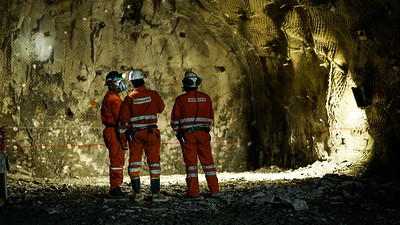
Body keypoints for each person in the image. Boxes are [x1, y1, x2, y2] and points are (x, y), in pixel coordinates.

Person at [117, 69, 168, 202]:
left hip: (135, 135)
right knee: (154, 163)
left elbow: (123, 121)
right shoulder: (153, 94)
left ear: (132, 83)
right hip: (152, 134)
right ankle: (156, 195)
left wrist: (123, 140)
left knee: (134, 163)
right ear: (143, 80)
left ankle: (137, 195)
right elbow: (160, 109)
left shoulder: (129, 98)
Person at [170, 71, 220, 200]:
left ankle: (193, 193)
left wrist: (178, 131)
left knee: (191, 165)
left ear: (185, 84)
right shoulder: (206, 98)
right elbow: (210, 118)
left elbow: (175, 120)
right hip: (203, 134)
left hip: (188, 136)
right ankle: (215, 191)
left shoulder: (181, 99)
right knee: (208, 163)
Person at [101, 71, 128, 196]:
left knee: (117, 159)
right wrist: (123, 138)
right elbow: (120, 118)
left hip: (111, 130)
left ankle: (116, 185)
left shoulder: (111, 96)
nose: (121, 84)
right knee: (117, 160)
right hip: (114, 130)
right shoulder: (114, 99)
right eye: (118, 82)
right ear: (111, 84)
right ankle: (115, 187)